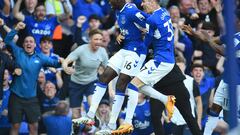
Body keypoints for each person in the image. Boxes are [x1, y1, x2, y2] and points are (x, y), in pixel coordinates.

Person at [74, 0, 174, 134]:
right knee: (104, 76)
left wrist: (146, 34)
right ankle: (90, 115)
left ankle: (112, 126)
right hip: (125, 49)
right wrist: (122, 34)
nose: (109, 2)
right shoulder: (118, 11)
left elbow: (149, 23)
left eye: (111, 0)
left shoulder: (132, 11)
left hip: (137, 52)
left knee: (123, 84)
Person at [4, 22, 62, 135]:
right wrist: (16, 28)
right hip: (16, 96)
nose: (28, 43)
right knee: (15, 126)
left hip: (31, 98)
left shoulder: (40, 57)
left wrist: (66, 62)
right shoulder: (18, 51)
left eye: (31, 41)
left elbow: (55, 63)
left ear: (35, 45)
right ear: (23, 44)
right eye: (26, 41)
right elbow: (7, 41)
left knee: (34, 127)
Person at [62, 29, 108, 119]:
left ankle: (96, 123)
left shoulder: (103, 52)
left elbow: (109, 69)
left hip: (91, 81)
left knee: (92, 103)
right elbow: (66, 61)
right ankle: (77, 130)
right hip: (76, 83)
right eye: (96, 39)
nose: (98, 42)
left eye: (100, 39)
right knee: (75, 114)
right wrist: (66, 67)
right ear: (90, 39)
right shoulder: (81, 49)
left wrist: (113, 85)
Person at [169, 56, 203, 135]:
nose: (178, 68)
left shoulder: (191, 81)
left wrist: (198, 121)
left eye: (180, 66)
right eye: (176, 66)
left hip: (188, 121)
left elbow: (199, 102)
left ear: (185, 66)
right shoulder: (168, 82)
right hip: (173, 121)